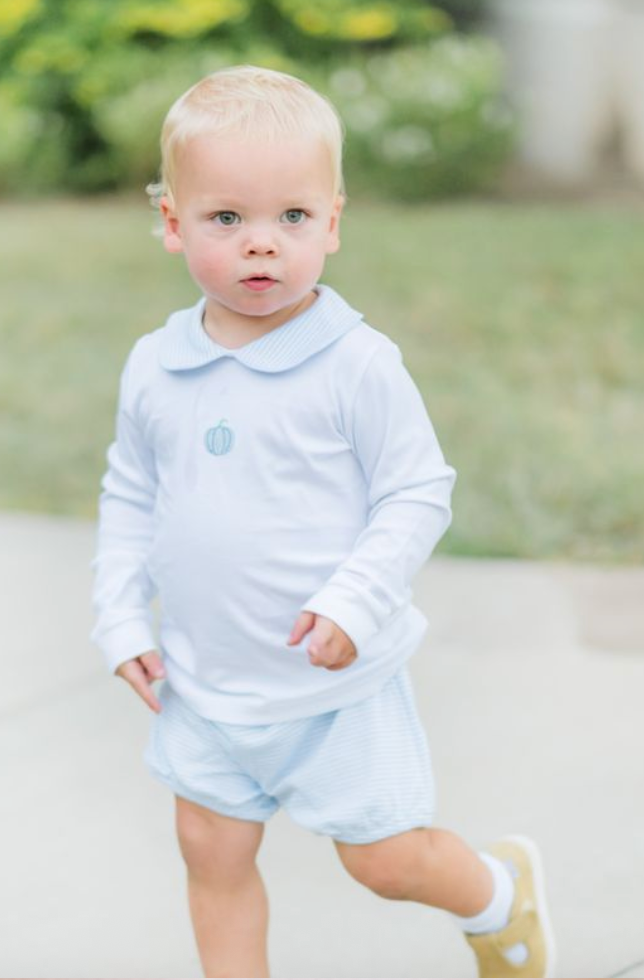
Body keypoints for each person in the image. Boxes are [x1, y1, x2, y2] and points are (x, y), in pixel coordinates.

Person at [90, 65, 555, 979]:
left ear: (333, 223)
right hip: (205, 681)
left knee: (385, 863)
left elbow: (417, 490)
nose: (262, 243)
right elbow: (130, 494)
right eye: (228, 218)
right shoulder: (156, 365)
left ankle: (499, 895)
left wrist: (354, 601)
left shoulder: (356, 364)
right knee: (211, 854)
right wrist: (118, 614)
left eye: (293, 216)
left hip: (331, 688)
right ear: (173, 223)